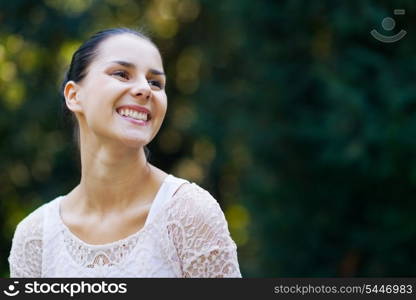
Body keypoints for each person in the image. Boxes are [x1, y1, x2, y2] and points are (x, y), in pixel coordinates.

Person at [8, 28, 241, 278]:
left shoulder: (189, 213)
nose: (145, 89)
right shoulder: (35, 237)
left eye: (155, 82)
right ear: (74, 96)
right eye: (121, 74)